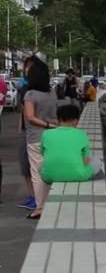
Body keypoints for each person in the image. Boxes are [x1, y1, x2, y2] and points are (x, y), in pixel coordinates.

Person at [23, 58, 57, 219]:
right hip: (53, 136)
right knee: (51, 169)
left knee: (37, 173)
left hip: (36, 137)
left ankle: (40, 208)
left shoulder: (30, 94)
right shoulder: (52, 93)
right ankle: (52, 202)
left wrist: (46, 125)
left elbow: (30, 117)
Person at [41, 105, 102, 183]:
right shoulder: (81, 134)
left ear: (58, 119)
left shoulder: (46, 133)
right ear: (76, 120)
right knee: (97, 161)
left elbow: (43, 154)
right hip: (79, 175)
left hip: (49, 176)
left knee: (40, 165)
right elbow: (86, 160)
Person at [16, 57, 36, 210]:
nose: (26, 69)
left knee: (28, 167)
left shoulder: (27, 90)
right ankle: (34, 197)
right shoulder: (46, 89)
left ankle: (34, 198)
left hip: (31, 133)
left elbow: (26, 114)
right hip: (35, 131)